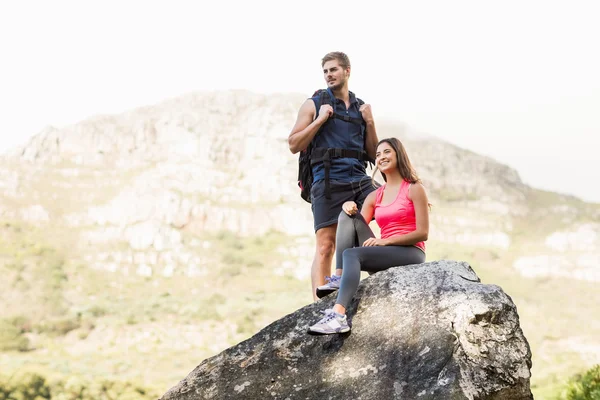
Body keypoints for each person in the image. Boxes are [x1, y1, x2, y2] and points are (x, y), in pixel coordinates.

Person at [307, 137, 430, 335]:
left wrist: (385, 241)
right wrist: (347, 208)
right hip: (385, 253)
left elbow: (423, 233)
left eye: (387, 152)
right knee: (346, 215)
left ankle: (338, 315)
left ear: (399, 154)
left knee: (352, 255)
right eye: (378, 154)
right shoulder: (375, 195)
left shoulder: (414, 189)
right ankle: (338, 277)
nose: (382, 157)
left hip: (411, 253)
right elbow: (355, 226)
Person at [288, 51, 379, 301]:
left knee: (387, 201)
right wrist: (319, 119)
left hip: (359, 178)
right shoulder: (314, 103)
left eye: (334, 70)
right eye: (325, 71)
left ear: (347, 71)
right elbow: (294, 143)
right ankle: (320, 303)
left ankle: (391, 268)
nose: (329, 74)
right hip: (327, 180)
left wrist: (370, 123)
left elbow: (374, 153)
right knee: (326, 245)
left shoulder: (361, 108)